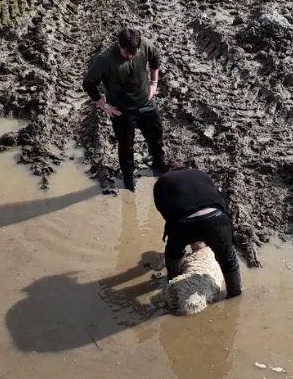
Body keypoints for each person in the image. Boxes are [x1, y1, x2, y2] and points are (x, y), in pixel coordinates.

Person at [82, 28, 166, 191]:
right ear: (119, 44)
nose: (131, 56)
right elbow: (88, 83)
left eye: (134, 53)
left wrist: (154, 83)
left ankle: (158, 164)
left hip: (146, 103)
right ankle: (128, 177)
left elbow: (155, 58)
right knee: (126, 146)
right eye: (127, 54)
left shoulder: (144, 45)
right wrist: (104, 106)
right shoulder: (104, 60)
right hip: (121, 110)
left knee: (156, 136)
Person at [153, 165, 243, 298]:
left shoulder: (163, 180)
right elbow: (218, 198)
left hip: (183, 222)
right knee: (228, 259)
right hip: (217, 219)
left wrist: (177, 232)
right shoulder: (201, 174)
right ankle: (235, 293)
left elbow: (164, 210)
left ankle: (173, 286)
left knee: (173, 253)